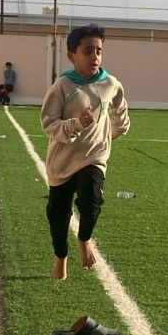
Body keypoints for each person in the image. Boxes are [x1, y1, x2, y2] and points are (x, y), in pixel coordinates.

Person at [40, 24, 130, 281]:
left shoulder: (111, 84)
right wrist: (77, 124)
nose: (94, 57)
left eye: (98, 51)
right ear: (72, 55)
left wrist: (108, 135)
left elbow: (120, 115)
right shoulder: (62, 86)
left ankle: (85, 239)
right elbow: (48, 124)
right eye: (88, 51)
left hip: (94, 156)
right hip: (62, 162)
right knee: (58, 215)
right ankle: (61, 257)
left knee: (92, 200)